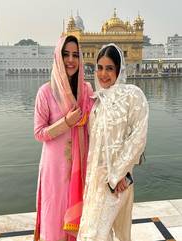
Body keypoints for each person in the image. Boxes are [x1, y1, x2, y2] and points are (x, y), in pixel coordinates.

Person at [77, 44, 149, 241]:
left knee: (96, 234)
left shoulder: (132, 95)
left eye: (109, 68)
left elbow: (138, 138)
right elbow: (95, 148)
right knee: (92, 232)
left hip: (118, 182)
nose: (103, 74)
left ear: (119, 69)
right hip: (96, 181)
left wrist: (118, 175)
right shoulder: (97, 103)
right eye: (99, 68)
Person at [34, 35, 94, 241]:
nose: (70, 60)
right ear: (57, 57)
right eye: (65, 54)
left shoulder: (86, 90)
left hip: (80, 167)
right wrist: (66, 123)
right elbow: (39, 132)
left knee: (79, 219)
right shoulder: (46, 92)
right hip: (55, 169)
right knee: (55, 218)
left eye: (75, 55)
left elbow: (94, 128)